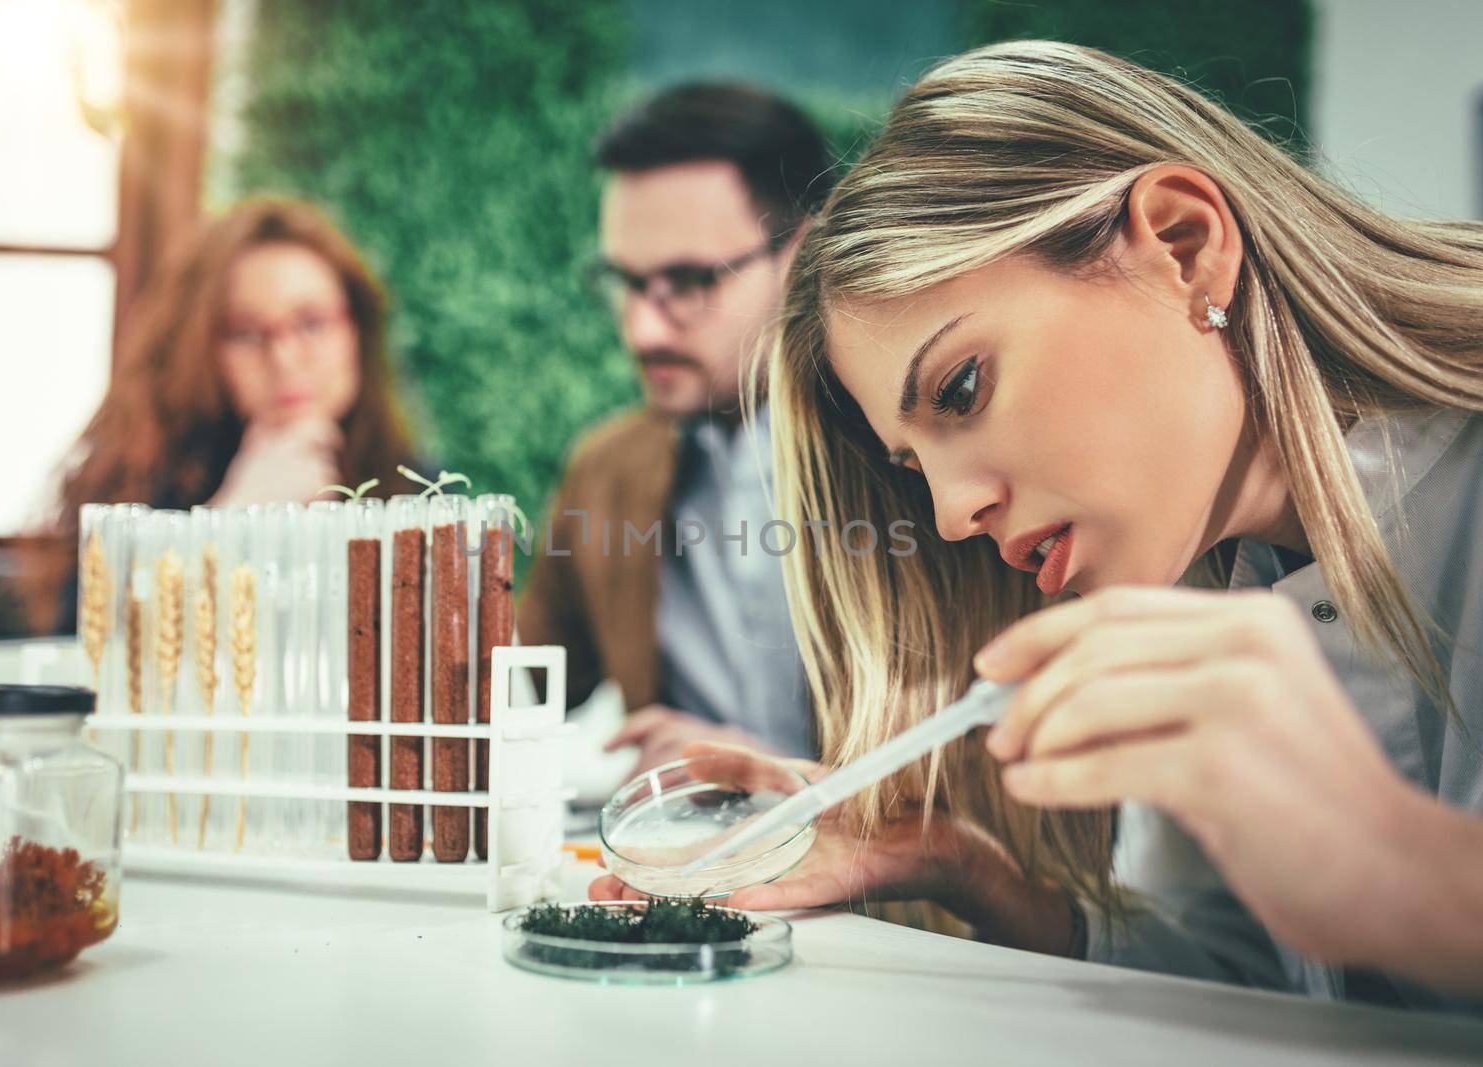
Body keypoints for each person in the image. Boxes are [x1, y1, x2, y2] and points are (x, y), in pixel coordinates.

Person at [595, 42, 1483, 1009]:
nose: (949, 512)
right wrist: (972, 873)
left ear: (1185, 245)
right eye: (911, 465)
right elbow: (1247, 977)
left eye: (961, 387)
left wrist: (1392, 868)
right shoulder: (1194, 570)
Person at [519, 84, 836, 772]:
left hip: (897, 879)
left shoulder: (917, 462)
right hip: (673, 868)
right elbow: (513, 696)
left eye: (689, 281)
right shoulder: (605, 471)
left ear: (804, 252)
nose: (642, 328)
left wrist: (781, 778)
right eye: (625, 282)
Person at [26, 197, 421, 631]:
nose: (284, 358)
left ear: (357, 331)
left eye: (311, 323)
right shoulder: (139, 483)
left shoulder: (419, 491)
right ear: (200, 349)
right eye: (246, 334)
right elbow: (89, 652)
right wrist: (235, 517)